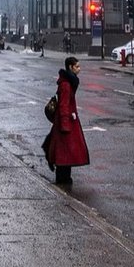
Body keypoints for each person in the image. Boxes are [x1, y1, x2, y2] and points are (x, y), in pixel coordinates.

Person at [41, 56, 90, 187]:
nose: (79, 69)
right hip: (65, 122)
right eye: (77, 66)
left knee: (66, 151)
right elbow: (63, 106)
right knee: (64, 151)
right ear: (70, 67)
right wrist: (65, 125)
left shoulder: (70, 81)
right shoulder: (66, 85)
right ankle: (63, 179)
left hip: (67, 121)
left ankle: (65, 177)